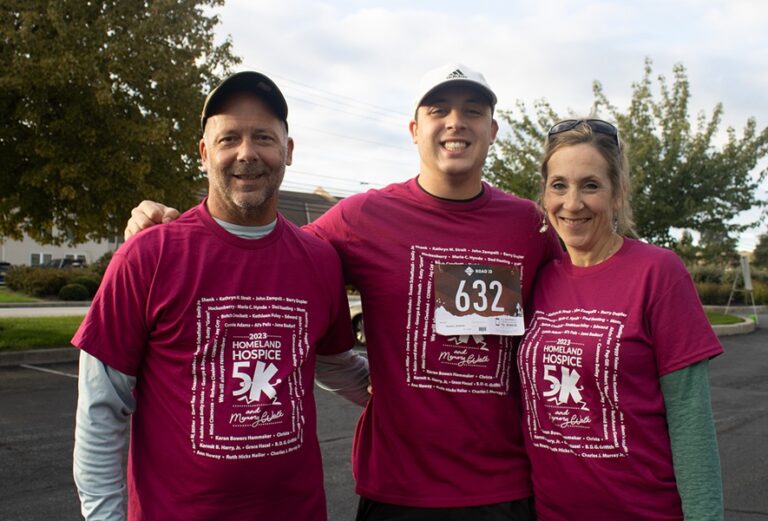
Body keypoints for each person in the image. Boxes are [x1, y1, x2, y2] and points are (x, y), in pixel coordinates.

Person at [125, 63, 561, 520]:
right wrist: (169, 231)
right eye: (438, 110)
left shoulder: (529, 226)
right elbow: (261, 251)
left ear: (492, 130)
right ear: (415, 129)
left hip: (504, 488)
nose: (455, 122)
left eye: (473, 111)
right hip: (397, 491)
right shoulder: (362, 218)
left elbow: (586, 291)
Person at [72, 71, 368, 521]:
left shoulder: (319, 260)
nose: (247, 154)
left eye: (264, 137)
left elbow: (335, 366)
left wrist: (418, 393)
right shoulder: (149, 255)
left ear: (288, 151)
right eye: (229, 138)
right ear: (204, 153)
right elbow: (101, 409)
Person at [517, 119, 724, 520]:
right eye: (559, 185)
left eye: (590, 185)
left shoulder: (658, 271)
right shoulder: (538, 277)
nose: (572, 203)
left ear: (617, 194)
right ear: (544, 194)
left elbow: (691, 421)